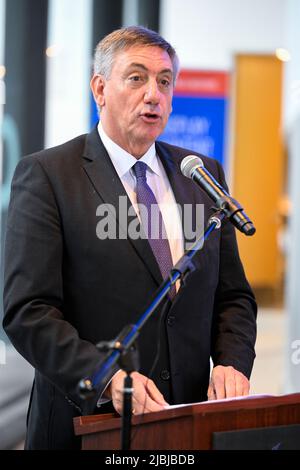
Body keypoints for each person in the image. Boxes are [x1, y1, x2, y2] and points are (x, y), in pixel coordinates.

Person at [3, 26, 257, 450]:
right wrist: (106, 377)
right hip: (89, 423)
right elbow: (28, 311)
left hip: (186, 421)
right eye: (136, 78)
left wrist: (232, 362)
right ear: (100, 89)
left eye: (164, 80)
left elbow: (233, 296)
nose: (153, 94)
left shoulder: (201, 174)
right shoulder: (49, 176)